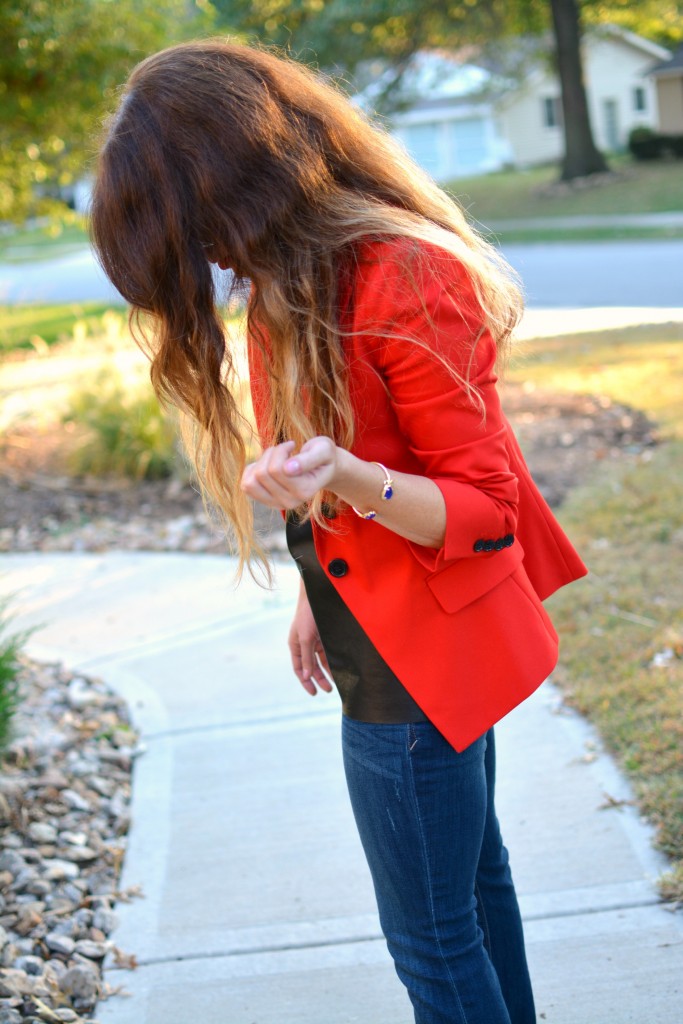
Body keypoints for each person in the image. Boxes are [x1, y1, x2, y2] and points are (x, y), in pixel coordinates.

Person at [90, 39, 587, 1024]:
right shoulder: (285, 281)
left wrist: (351, 478)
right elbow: (328, 492)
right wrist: (321, 593)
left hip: (416, 667)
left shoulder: (400, 274)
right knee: (470, 895)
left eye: (199, 238)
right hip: (380, 638)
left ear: (242, 180)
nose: (210, 270)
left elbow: (483, 511)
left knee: (434, 942)